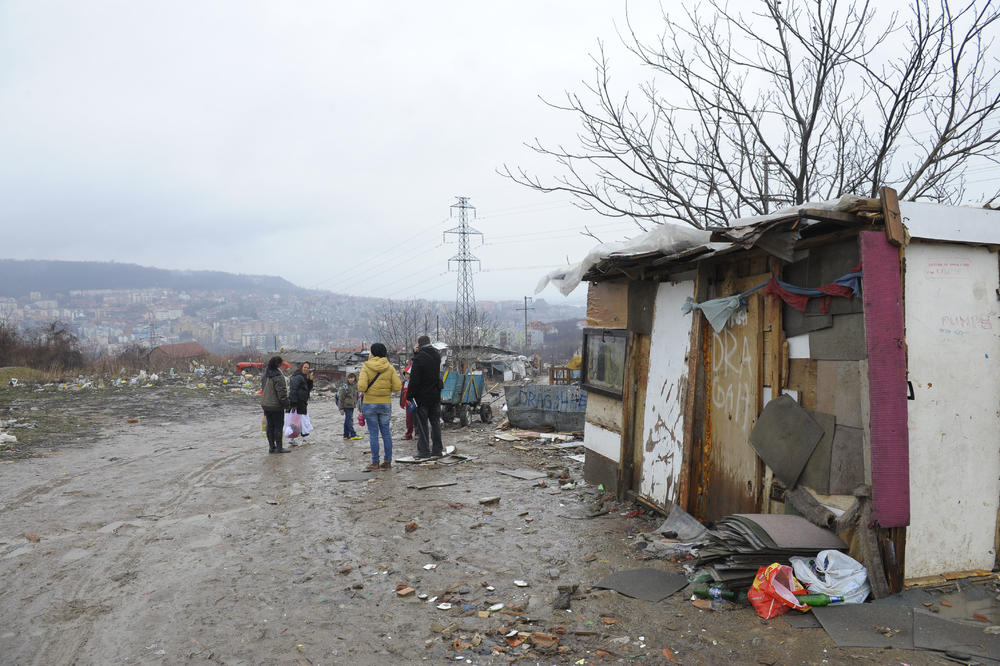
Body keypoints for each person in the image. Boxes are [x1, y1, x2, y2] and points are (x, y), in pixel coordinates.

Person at [357, 343, 402, 471]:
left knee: (373, 434)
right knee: (386, 433)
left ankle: (375, 463)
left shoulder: (366, 367)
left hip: (370, 404)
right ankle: (387, 462)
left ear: (372, 353)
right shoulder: (390, 367)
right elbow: (397, 387)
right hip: (385, 404)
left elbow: (361, 387)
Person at [408, 335, 444, 459]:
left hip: (422, 397)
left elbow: (414, 379)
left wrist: (409, 396)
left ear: (419, 345)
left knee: (422, 425)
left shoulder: (419, 358)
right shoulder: (437, 355)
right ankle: (437, 450)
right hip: (435, 395)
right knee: (435, 423)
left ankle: (424, 451)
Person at [260, 355, 290, 453]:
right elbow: (281, 394)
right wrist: (287, 405)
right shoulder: (278, 376)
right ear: (278, 364)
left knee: (270, 426)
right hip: (276, 406)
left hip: (266, 404)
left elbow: (263, 388)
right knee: (278, 426)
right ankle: (279, 448)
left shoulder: (265, 374)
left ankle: (271, 447)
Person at [287, 362, 314, 446]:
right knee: (303, 421)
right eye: (305, 367)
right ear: (301, 367)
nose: (306, 369)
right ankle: (305, 440)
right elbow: (293, 390)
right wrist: (294, 403)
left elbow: (307, 389)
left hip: (301, 403)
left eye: (308, 368)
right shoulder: (298, 377)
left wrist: (310, 380)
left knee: (295, 421)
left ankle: (291, 440)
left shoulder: (303, 377)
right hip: (297, 403)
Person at [337, 373, 363, 440]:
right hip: (346, 406)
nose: (351, 379)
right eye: (350, 378)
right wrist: (341, 408)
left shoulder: (355, 386)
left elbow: (356, 396)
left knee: (347, 420)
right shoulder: (345, 387)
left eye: (352, 378)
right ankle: (353, 435)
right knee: (349, 421)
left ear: (354, 378)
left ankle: (345, 435)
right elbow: (341, 398)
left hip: (352, 406)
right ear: (347, 378)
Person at [400, 369, 414, 440]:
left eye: (408, 373)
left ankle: (418, 433)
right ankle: (409, 434)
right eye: (405, 373)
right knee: (409, 420)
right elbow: (402, 394)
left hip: (414, 403)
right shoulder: (404, 383)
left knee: (417, 419)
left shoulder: (415, 382)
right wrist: (402, 404)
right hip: (407, 404)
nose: (406, 375)